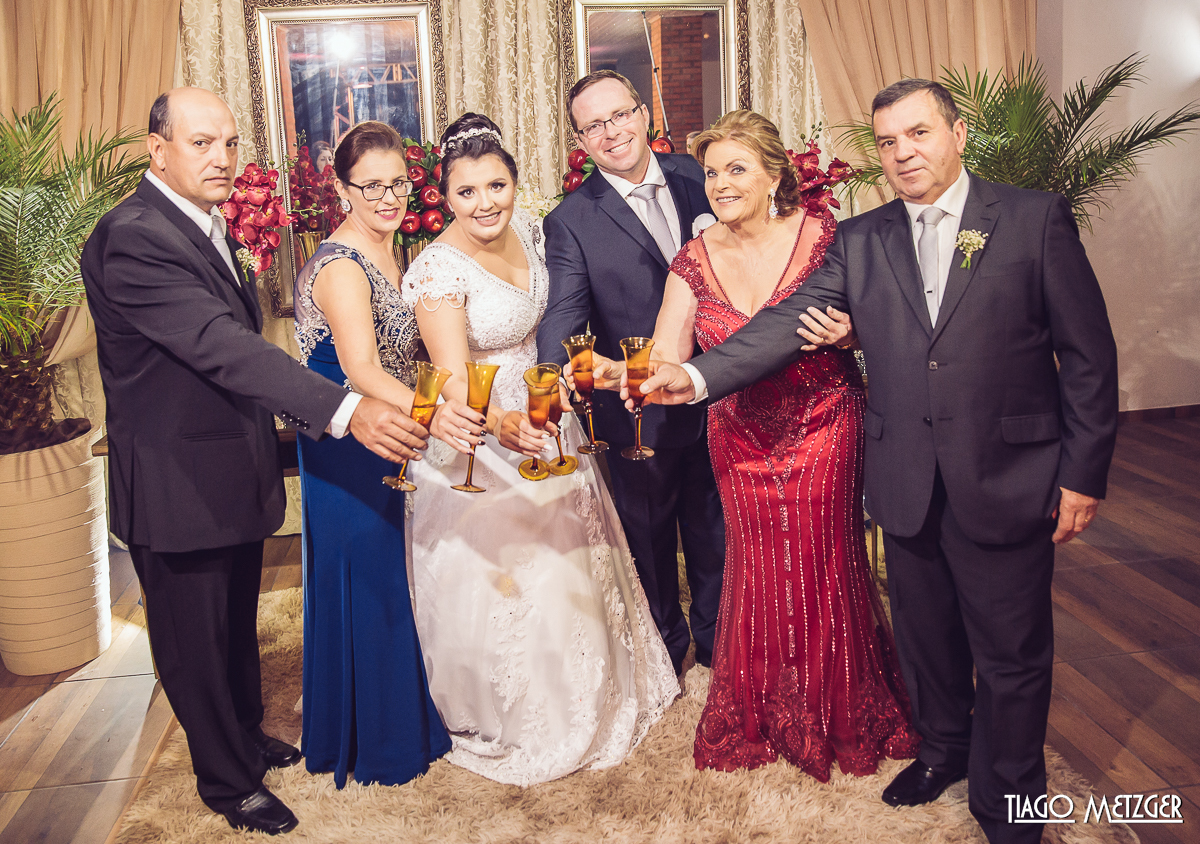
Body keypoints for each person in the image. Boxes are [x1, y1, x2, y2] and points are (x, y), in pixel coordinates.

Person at [633, 80, 1119, 844]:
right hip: (905, 476)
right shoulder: (862, 237)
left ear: (957, 134)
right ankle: (945, 752)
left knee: (1012, 654)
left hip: (1007, 475)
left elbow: (1089, 357)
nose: (903, 154)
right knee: (926, 639)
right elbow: (785, 324)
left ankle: (1011, 802)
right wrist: (693, 376)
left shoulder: (1033, 219)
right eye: (888, 142)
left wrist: (1084, 471)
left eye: (919, 134)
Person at [80, 88, 431, 835]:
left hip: (227, 471)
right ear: (157, 149)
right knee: (192, 642)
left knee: (235, 625)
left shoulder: (204, 225)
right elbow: (222, 345)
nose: (222, 159)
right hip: (177, 484)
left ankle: (244, 735)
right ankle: (225, 781)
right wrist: (342, 407)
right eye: (202, 143)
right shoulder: (133, 235)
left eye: (230, 144)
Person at [594, 110, 920, 780]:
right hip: (737, 435)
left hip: (825, 421)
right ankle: (765, 708)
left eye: (736, 169)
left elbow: (883, 323)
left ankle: (840, 709)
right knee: (760, 572)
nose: (720, 183)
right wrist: (625, 376)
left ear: (775, 175)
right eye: (712, 173)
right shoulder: (693, 258)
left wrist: (849, 337)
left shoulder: (826, 236)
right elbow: (666, 354)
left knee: (826, 565)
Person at [401, 113, 679, 786]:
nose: (485, 203)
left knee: (578, 561)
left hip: (549, 407)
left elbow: (561, 315)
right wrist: (504, 426)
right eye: (466, 192)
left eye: (496, 185)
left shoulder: (532, 230)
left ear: (515, 184)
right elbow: (451, 377)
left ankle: (598, 689)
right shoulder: (436, 270)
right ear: (444, 195)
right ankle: (523, 713)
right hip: (487, 432)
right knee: (518, 578)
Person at [294, 121, 482, 789]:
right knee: (367, 580)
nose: (388, 196)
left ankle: (391, 716)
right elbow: (364, 368)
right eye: (370, 185)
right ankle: (379, 741)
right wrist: (436, 412)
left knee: (392, 575)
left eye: (397, 182)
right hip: (348, 437)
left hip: (385, 427)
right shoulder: (343, 265)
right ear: (342, 188)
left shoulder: (391, 251)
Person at [536, 70, 726, 677]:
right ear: (581, 142)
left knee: (717, 529)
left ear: (644, 114)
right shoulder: (571, 219)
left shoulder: (702, 178)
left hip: (720, 388)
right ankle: (665, 649)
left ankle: (720, 642)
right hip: (635, 408)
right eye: (594, 126)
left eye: (619, 115)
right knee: (647, 538)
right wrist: (553, 372)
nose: (611, 132)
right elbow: (565, 310)